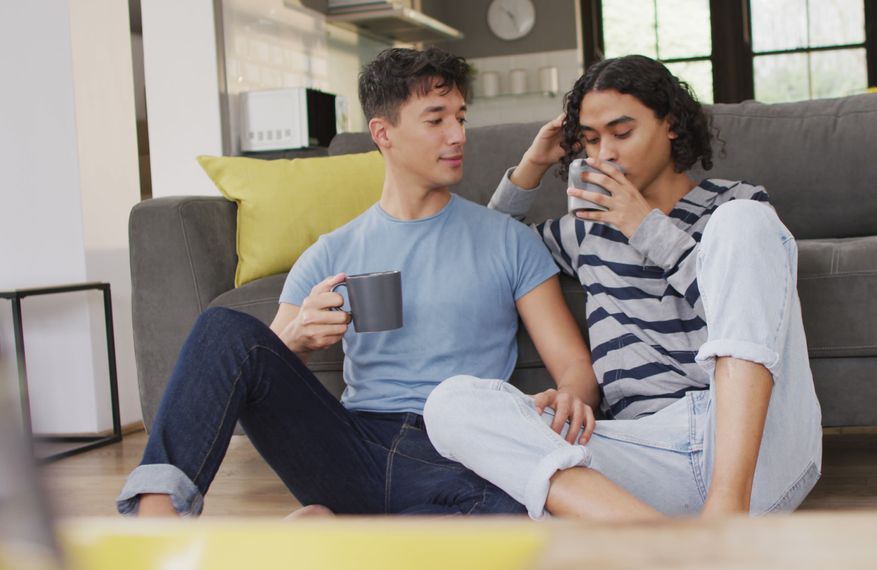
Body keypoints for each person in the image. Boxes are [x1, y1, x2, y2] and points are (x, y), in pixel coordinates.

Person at [115, 47, 600, 518]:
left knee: (516, 519)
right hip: (350, 448)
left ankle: (340, 535)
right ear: (382, 132)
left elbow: (574, 366)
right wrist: (298, 336)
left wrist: (569, 397)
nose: (457, 136)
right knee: (223, 329)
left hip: (463, 453)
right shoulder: (331, 251)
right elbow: (258, 364)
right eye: (436, 120)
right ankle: (157, 518)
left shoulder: (508, 241)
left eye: (461, 118)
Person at [424, 55, 823, 520]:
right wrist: (533, 162)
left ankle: (725, 513)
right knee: (449, 405)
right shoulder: (584, 232)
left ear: (670, 124)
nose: (604, 154)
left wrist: (645, 227)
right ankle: (655, 536)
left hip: (752, 450)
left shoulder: (734, 206)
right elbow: (490, 247)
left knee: (747, 224)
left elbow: (745, 310)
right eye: (590, 141)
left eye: (622, 132)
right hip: (646, 455)